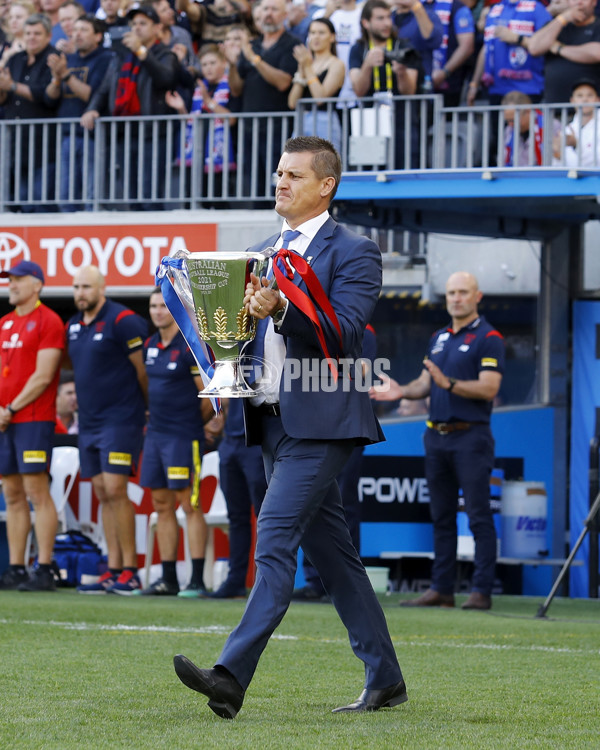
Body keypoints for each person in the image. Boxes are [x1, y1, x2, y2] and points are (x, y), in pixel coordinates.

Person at [173, 136, 406, 719]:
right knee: (334, 560)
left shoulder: (354, 250)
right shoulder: (256, 252)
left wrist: (280, 308)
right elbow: (243, 341)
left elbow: (348, 331)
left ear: (326, 184)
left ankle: (230, 675)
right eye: (278, 173)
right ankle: (387, 678)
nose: (281, 183)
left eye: (294, 176)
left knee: (273, 539)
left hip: (325, 421)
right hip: (271, 422)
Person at [370, 271, 505, 611]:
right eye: (450, 293)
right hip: (437, 437)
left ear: (477, 297)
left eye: (462, 292)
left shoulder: (489, 337)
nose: (456, 298)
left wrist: (450, 384)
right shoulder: (439, 337)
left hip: (471, 436)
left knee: (477, 515)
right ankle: (442, 589)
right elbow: (423, 383)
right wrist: (400, 390)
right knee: (441, 515)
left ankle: (482, 591)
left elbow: (489, 387)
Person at [67, 265, 148, 594]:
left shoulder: (123, 320)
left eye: (86, 286)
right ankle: (113, 567)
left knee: (116, 489)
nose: (80, 293)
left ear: (101, 288)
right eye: (75, 287)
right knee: (102, 492)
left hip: (120, 420)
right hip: (88, 423)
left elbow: (143, 371)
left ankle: (131, 570)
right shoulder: (72, 326)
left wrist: (145, 408)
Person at [136, 288, 213, 597]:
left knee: (189, 505)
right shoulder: (150, 345)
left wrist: (196, 423)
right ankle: (168, 578)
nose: (157, 312)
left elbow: (209, 394)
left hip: (183, 436)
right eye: (153, 306)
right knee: (161, 504)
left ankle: (196, 580)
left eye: (163, 306)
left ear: (174, 310)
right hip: (154, 436)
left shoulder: (189, 345)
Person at [0, 261, 64, 592]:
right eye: (8, 280)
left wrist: (9, 408)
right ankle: (15, 567)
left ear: (36, 285)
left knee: (36, 491)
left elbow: (42, 376)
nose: (10, 285)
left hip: (33, 419)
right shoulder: (5, 323)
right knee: (11, 493)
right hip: (5, 420)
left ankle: (44, 566)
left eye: (17, 280)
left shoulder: (49, 321)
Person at [80, 5, 179, 211]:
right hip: (126, 133)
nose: (136, 28)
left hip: (153, 133)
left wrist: (141, 51)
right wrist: (92, 108)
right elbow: (105, 88)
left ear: (156, 28)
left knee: (150, 194)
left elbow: (166, 78)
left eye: (143, 23)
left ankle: (155, 239)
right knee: (131, 194)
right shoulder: (121, 56)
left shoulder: (164, 53)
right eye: (133, 24)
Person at [224, 0, 299, 205]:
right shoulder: (253, 45)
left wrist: (255, 60)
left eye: (274, 9)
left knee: (277, 180)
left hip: (278, 128)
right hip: (250, 128)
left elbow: (284, 82)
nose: (269, 14)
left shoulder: (291, 44)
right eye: (265, 9)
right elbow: (237, 89)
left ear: (284, 14)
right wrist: (232, 65)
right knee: (252, 182)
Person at [46, 13, 113, 212]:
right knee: (65, 197)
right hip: (66, 134)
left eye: (84, 30)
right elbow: (50, 98)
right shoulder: (68, 59)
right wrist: (56, 79)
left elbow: (92, 95)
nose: (77, 34)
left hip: (91, 135)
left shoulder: (105, 58)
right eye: (75, 30)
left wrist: (65, 75)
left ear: (98, 36)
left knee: (91, 195)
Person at [349, 0, 423, 169]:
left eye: (389, 17)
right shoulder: (358, 49)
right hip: (368, 121)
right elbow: (358, 90)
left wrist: (402, 72)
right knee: (368, 171)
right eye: (380, 18)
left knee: (404, 170)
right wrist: (367, 65)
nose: (387, 23)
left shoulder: (404, 46)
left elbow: (409, 91)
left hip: (402, 121)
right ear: (365, 23)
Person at [0, 13, 61, 212]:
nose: (31, 37)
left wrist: (12, 86)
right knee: (15, 202)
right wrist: (3, 88)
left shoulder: (54, 58)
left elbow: (47, 96)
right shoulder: (16, 59)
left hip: (42, 145)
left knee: (39, 201)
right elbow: (6, 97)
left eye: (37, 33)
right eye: (28, 33)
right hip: (14, 143)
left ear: (48, 36)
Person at [165, 43, 238, 206]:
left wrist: (209, 102)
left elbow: (232, 119)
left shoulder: (231, 85)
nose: (208, 68)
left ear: (223, 63)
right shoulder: (199, 88)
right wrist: (181, 108)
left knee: (218, 198)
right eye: (204, 64)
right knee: (193, 196)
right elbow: (190, 121)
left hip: (220, 153)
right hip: (196, 152)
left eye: (212, 63)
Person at [210, 398, 266, 598]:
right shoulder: (232, 365)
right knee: (236, 517)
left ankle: (267, 581)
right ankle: (235, 581)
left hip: (257, 440)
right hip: (230, 440)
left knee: (266, 517)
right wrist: (218, 414)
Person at [288, 17, 345, 152]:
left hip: (325, 121)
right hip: (302, 119)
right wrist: (302, 72)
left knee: (323, 166)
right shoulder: (307, 63)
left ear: (332, 37)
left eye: (321, 33)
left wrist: (307, 68)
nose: (316, 37)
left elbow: (320, 97)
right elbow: (292, 102)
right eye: (312, 33)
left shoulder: (336, 64)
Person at [528, 0, 600, 104]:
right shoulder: (557, 25)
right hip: (553, 109)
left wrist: (559, 48)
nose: (579, 2)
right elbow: (534, 48)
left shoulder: (597, 25)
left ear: (594, 2)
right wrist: (563, 18)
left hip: (589, 110)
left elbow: (597, 53)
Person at [431, 0, 475, 106]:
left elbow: (467, 46)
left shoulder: (458, 8)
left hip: (449, 83)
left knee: (447, 120)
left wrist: (444, 72)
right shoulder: (419, 5)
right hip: (420, 82)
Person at [553, 77, 600, 166]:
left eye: (590, 95)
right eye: (579, 96)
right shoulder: (567, 130)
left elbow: (597, 161)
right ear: (572, 101)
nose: (585, 99)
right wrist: (557, 155)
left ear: (598, 100)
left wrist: (576, 145)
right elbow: (558, 167)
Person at [0, 1, 34, 70]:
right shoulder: (6, 45)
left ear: (31, 18)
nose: (13, 21)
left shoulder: (35, 45)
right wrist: (4, 61)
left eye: (18, 17)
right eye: (11, 17)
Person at [55, 368, 78, 434]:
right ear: (56, 395)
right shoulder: (47, 424)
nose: (75, 397)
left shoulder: (85, 423)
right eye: (69, 393)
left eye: (76, 393)